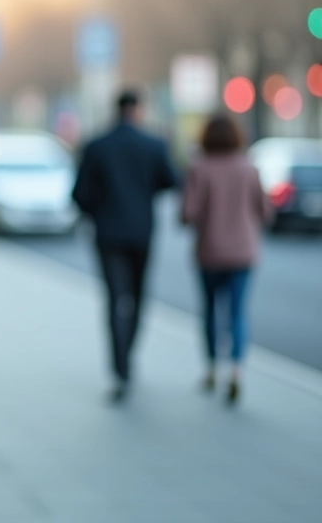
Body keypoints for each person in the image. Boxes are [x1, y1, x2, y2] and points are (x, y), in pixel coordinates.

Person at [72, 89, 177, 401]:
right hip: (141, 233)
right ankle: (129, 356)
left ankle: (120, 369)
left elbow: (79, 195)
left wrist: (99, 211)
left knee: (114, 299)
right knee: (138, 297)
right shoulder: (153, 145)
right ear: (138, 109)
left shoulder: (96, 146)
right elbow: (171, 181)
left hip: (107, 234)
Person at [180, 114, 271, 404]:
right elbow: (265, 211)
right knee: (237, 312)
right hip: (243, 253)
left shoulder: (199, 168)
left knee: (210, 311)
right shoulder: (249, 168)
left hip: (209, 252)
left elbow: (187, 214)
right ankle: (236, 371)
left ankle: (210, 369)